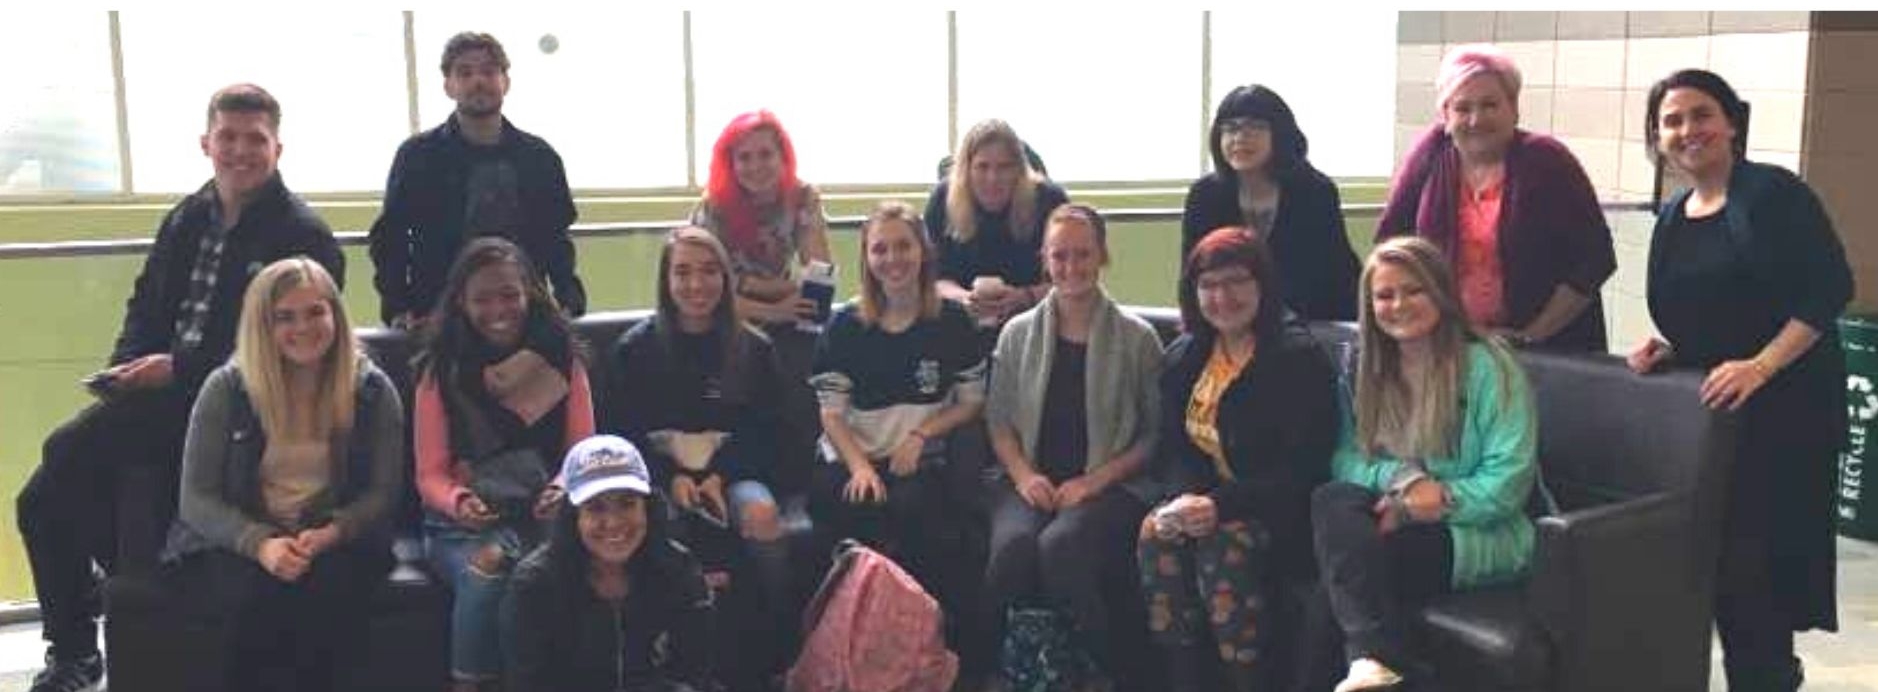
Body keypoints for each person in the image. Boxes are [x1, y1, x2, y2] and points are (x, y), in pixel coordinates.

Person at [15, 83, 342, 692]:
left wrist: (180, 368)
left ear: (278, 148)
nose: (240, 151)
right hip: (157, 396)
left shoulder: (302, 235)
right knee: (40, 502)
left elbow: (294, 346)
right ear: (206, 142)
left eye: (255, 140)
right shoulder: (188, 215)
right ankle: (75, 651)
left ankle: (95, 616)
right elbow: (146, 305)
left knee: (64, 457)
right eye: (228, 138)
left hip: (234, 409)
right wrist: (124, 371)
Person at [1628, 69, 1852, 692]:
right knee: (1721, 580)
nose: (1686, 130)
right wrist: (1672, 350)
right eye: (1671, 121)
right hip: (1717, 427)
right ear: (1657, 137)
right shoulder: (1675, 213)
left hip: (1785, 425)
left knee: (1759, 590)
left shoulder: (1774, 194)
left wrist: (1761, 365)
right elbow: (1721, 313)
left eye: (1701, 115)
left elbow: (1828, 290)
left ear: (1731, 124)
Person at [161, 258, 403, 692]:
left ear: (336, 314)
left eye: (316, 312)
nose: (304, 327)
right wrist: (261, 545)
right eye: (284, 317)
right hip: (241, 538)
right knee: (256, 603)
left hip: (332, 538)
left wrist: (333, 532)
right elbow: (196, 499)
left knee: (326, 603)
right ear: (262, 325)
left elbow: (384, 493)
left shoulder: (372, 390)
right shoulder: (228, 389)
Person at [1309, 237, 1537, 692]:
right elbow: (1347, 458)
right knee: (1331, 500)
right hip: (1394, 516)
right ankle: (1381, 666)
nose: (1399, 304)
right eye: (1385, 295)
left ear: (1441, 292)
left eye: (1414, 290)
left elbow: (1508, 485)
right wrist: (1403, 484)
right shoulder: (1363, 366)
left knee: (1339, 586)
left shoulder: (1491, 367)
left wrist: (1424, 505)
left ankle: (1376, 661)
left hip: (1479, 531)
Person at [1139, 228, 1338, 692]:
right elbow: (1173, 450)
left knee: (1221, 546)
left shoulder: (1296, 357)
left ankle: (1247, 680)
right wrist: (1182, 501)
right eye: (1208, 285)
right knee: (1156, 532)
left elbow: (1305, 468)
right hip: (1207, 505)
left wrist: (1218, 507)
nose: (1222, 297)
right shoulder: (1185, 355)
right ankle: (1185, 680)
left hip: (1280, 512)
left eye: (1235, 282)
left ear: (1262, 285)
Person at [980, 204, 1163, 688]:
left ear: (1103, 255)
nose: (1071, 267)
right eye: (1060, 255)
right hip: (1027, 478)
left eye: (1083, 254)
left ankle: (1105, 671)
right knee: (1014, 550)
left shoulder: (1137, 339)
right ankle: (998, 671)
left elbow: (1153, 435)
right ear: (1044, 258)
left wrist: (1095, 481)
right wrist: (1024, 476)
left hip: (1108, 484)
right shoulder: (1017, 335)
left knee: (1061, 547)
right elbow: (998, 423)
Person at [608, 227, 805, 672]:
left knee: (761, 515)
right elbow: (623, 435)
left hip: (733, 474)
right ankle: (674, 656)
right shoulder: (633, 350)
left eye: (709, 271)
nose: (696, 285)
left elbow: (772, 433)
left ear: (725, 277)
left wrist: (723, 476)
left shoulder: (754, 349)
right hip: (658, 479)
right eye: (683, 272)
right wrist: (668, 477)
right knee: (663, 523)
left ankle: (779, 647)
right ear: (667, 280)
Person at [412, 237, 595, 691]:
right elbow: (430, 473)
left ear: (529, 293)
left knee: (543, 571)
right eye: (483, 299)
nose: (499, 309)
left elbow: (581, 451)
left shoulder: (562, 359)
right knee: (492, 564)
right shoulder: (442, 369)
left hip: (542, 514)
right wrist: (460, 501)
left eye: (509, 295)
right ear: (461, 302)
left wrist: (562, 487)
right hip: (464, 524)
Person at [806, 201, 986, 630]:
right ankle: (845, 632)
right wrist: (861, 467)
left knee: (917, 510)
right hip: (853, 458)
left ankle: (920, 633)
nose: (892, 259)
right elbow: (831, 416)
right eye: (880, 249)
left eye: (903, 246)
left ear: (922, 251)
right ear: (867, 258)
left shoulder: (954, 321)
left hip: (917, 461)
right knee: (846, 502)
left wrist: (923, 433)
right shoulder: (846, 325)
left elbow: (972, 402)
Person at [1376, 44, 1615, 351]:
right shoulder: (1429, 155)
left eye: (1489, 104)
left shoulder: (1547, 161)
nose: (1476, 119)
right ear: (1445, 116)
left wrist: (1532, 336)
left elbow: (1595, 258)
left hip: (1550, 348)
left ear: (1513, 108)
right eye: (1462, 108)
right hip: (1450, 347)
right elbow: (1391, 245)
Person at [369, 31, 586, 329]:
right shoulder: (416, 157)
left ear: (505, 82)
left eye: (488, 71)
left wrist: (569, 301)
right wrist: (397, 307)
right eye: (465, 72)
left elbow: (557, 241)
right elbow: (389, 239)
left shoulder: (540, 158)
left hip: (524, 318)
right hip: (439, 318)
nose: (478, 81)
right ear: (448, 85)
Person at [503, 435, 720, 692]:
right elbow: (528, 683)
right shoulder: (535, 582)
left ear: (647, 508)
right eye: (596, 508)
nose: (614, 522)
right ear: (573, 517)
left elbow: (694, 672)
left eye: (627, 504)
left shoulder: (679, 568)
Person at [1180, 85, 1360, 321]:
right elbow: (1192, 276)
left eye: (1255, 127)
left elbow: (1334, 274)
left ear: (1280, 134)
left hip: (1305, 322)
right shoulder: (1205, 196)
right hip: (1226, 320)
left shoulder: (1314, 191)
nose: (1240, 138)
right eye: (1230, 129)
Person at [924, 119, 1071, 347]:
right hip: (959, 326)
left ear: (1019, 170)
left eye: (1004, 167)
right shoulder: (942, 200)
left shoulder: (1048, 200)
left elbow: (1069, 280)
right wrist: (964, 299)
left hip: (1035, 327)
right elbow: (931, 279)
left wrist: (1023, 297)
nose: (993, 178)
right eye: (982, 167)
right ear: (967, 168)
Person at [689, 110, 833, 336]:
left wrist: (789, 298)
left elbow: (820, 278)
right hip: (723, 320)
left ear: (783, 157)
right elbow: (701, 293)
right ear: (731, 164)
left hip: (783, 317)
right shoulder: (713, 207)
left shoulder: (803, 198)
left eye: (766, 154)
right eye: (744, 157)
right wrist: (774, 298)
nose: (756, 167)